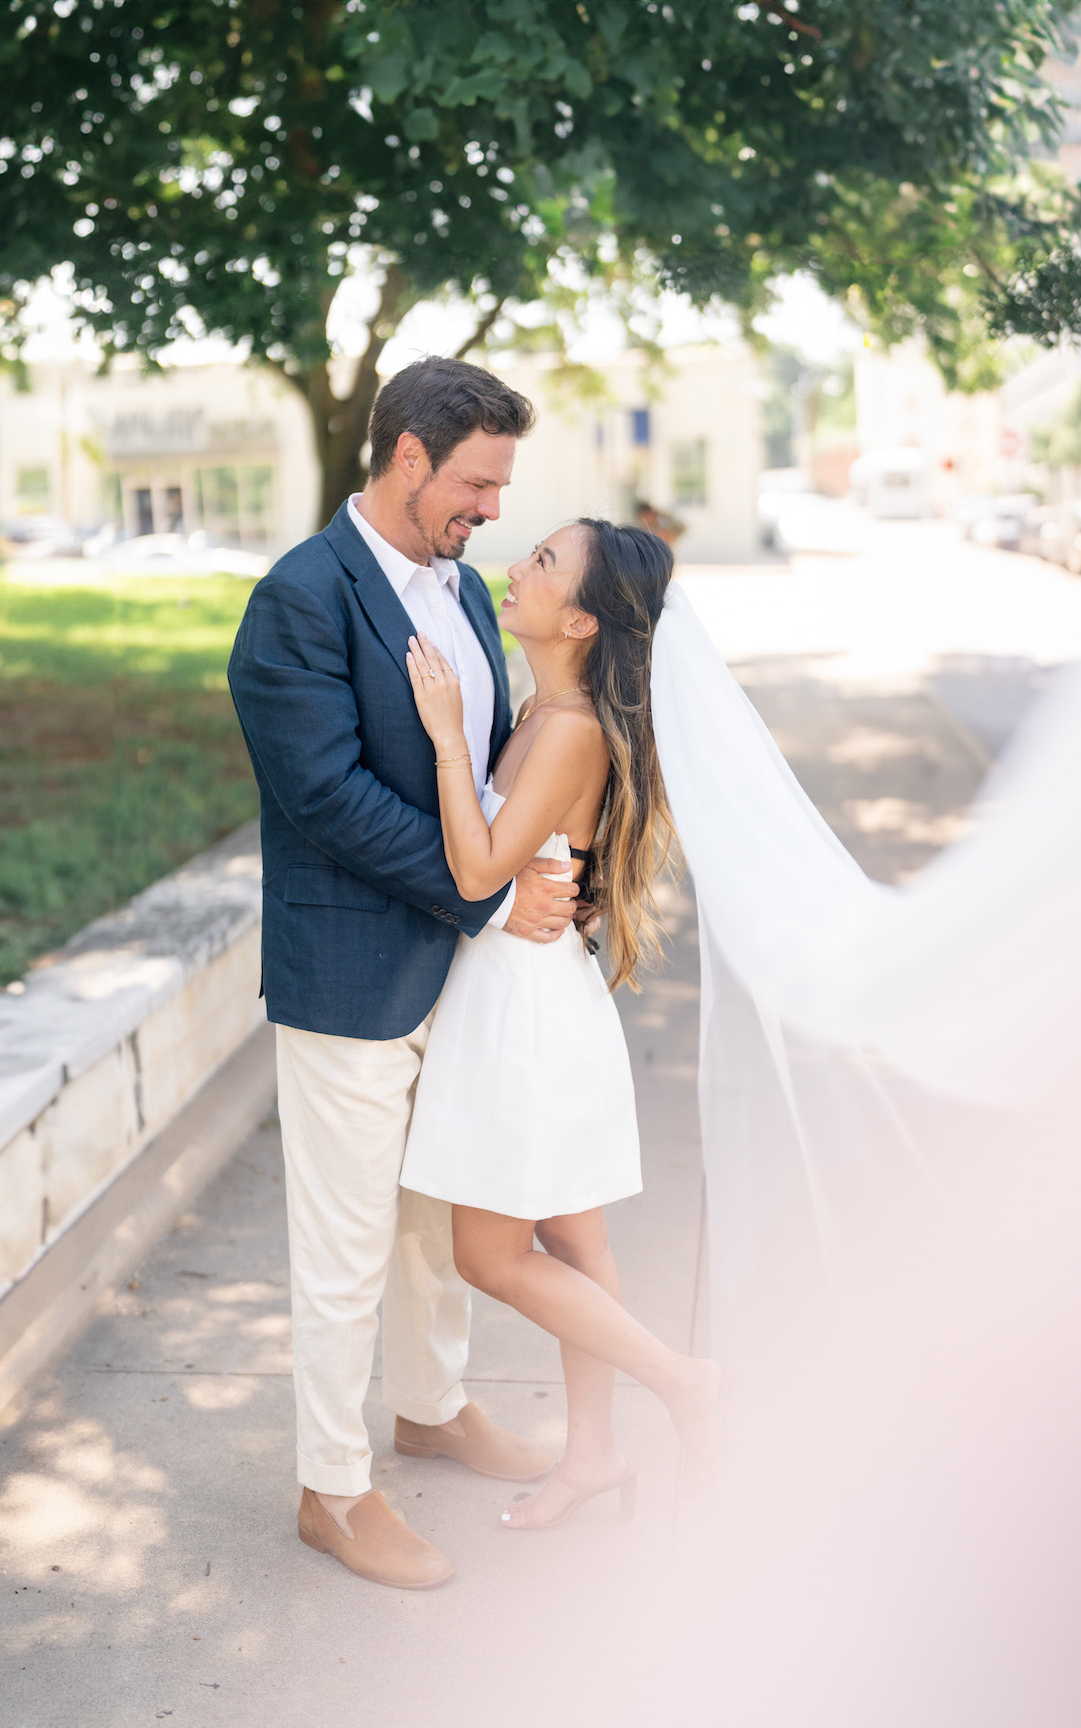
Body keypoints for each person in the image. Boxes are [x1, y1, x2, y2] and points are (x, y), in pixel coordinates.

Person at [228, 357, 589, 1591]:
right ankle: (332, 1487)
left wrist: (532, 860)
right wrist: (483, 893)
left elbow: (480, 765)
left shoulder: (467, 592)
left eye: (498, 487)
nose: (492, 509)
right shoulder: (301, 598)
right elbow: (325, 797)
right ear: (406, 457)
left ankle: (433, 1408)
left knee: (440, 1223)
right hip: (347, 977)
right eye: (477, 482)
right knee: (344, 1247)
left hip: (462, 977)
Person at [400, 519, 720, 1529]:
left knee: (489, 1257)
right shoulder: (551, 709)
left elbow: (479, 870)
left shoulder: (571, 727)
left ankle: (685, 1381)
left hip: (525, 1014)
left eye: (542, 561)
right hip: (539, 994)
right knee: (578, 1248)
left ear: (580, 618)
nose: (515, 567)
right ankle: (593, 1455)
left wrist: (450, 740)